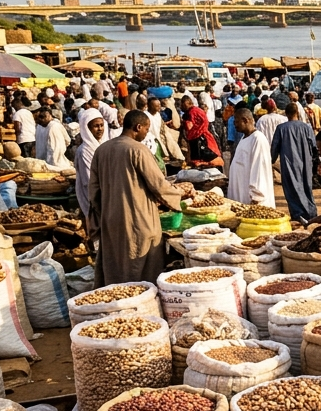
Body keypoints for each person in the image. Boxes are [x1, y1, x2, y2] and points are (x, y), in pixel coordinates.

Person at [89, 111, 187, 286]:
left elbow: (94, 191)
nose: (146, 133)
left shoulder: (101, 150)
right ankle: (139, 302)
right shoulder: (138, 150)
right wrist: (179, 193)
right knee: (141, 266)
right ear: (138, 127)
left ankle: (115, 301)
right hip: (138, 219)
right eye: (146, 129)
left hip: (111, 220)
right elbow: (158, 184)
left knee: (116, 264)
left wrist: (102, 213)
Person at [269, 103, 319, 224]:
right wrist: (313, 160)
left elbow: (274, 148)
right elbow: (314, 146)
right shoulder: (307, 127)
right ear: (297, 112)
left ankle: (297, 214)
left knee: (291, 189)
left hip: (289, 163)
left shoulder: (281, 128)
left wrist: (270, 161)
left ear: (286, 114)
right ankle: (311, 213)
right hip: (305, 162)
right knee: (306, 186)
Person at [227, 109, 275, 207]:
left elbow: (259, 171)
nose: (234, 125)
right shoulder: (244, 138)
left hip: (253, 201)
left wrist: (256, 197)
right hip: (241, 196)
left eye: (236, 122)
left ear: (245, 120)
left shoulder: (258, 139)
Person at [74, 109, 106, 219]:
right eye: (96, 126)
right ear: (87, 128)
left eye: (101, 125)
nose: (100, 129)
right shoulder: (84, 151)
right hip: (92, 196)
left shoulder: (103, 145)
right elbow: (89, 180)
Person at [182, 96, 223, 168]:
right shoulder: (196, 110)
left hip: (200, 138)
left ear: (186, 104)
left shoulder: (192, 112)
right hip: (202, 136)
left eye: (182, 105)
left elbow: (190, 126)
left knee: (201, 160)